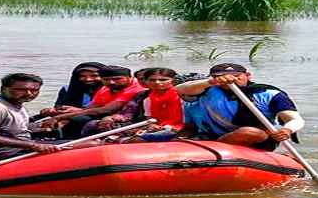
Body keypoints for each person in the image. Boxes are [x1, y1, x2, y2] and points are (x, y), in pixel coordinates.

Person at [175, 63, 304, 150]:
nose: (230, 80)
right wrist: (211, 82)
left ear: (247, 76)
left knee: (249, 132)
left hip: (256, 138)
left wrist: (287, 130)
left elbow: (295, 119)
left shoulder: (269, 94)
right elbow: (179, 90)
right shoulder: (206, 89)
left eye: (237, 76)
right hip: (211, 135)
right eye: (219, 77)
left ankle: (215, 149)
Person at [0, 73, 61, 161]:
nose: (28, 93)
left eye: (34, 90)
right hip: (0, 153)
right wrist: (33, 145)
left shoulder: (16, 104)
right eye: (21, 90)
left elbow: (13, 126)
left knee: (72, 143)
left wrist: (43, 118)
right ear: (4, 89)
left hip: (21, 145)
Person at [40, 65, 145, 138]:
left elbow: (106, 110)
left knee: (80, 119)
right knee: (75, 117)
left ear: (130, 78)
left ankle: (68, 139)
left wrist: (58, 117)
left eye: (117, 79)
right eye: (106, 79)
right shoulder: (105, 88)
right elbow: (92, 108)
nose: (111, 82)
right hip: (104, 114)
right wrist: (64, 113)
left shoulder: (135, 89)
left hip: (126, 117)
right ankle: (57, 135)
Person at [92, 67, 185, 140]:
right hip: (157, 127)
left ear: (173, 81)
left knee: (140, 138)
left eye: (163, 80)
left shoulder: (183, 97)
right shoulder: (147, 99)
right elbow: (150, 120)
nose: (157, 82)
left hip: (177, 128)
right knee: (101, 128)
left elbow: (188, 120)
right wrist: (152, 127)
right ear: (146, 81)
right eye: (152, 80)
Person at [39, 62, 105, 116]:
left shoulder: (110, 91)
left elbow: (108, 110)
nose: (88, 79)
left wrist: (79, 111)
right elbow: (60, 107)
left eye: (94, 76)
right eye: (82, 76)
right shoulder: (67, 90)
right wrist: (51, 111)